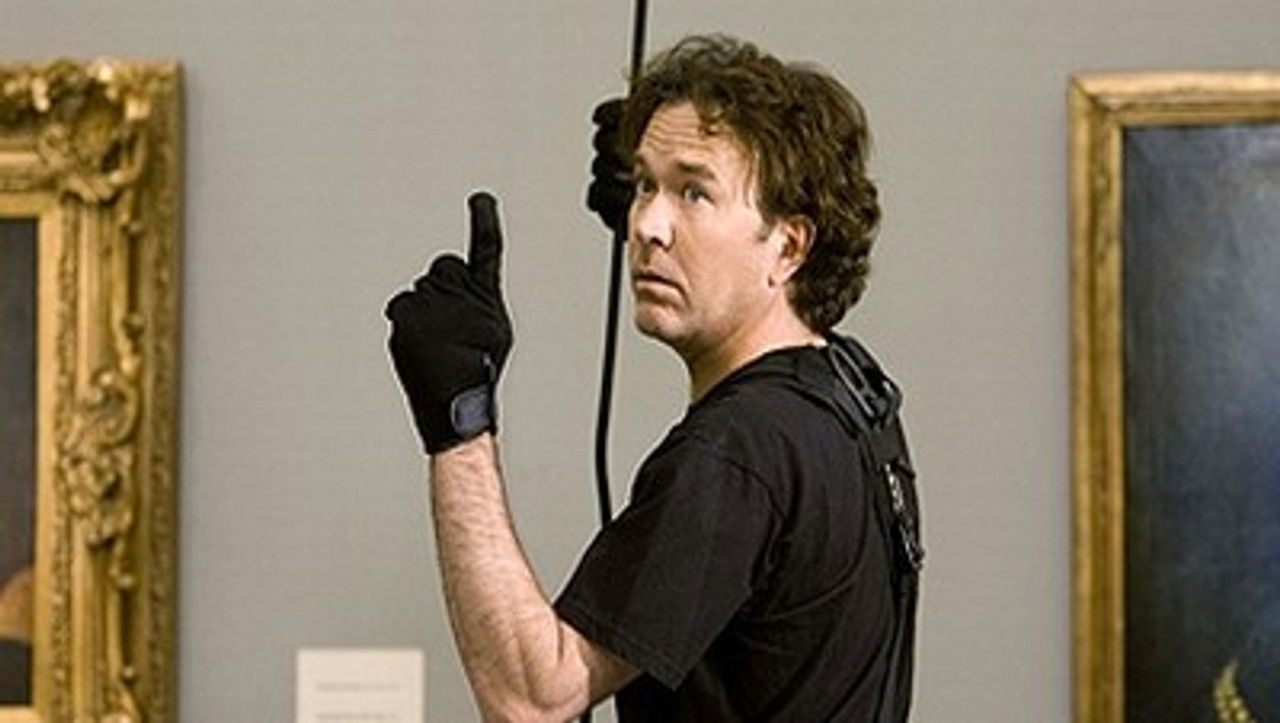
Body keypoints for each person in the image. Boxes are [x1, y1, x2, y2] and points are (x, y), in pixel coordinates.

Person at [386, 34, 922, 722]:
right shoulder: (852, 397)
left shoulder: (738, 451)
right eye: (644, 186)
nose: (646, 226)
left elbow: (531, 697)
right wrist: (681, 207)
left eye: (695, 191)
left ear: (788, 245)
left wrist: (459, 419)